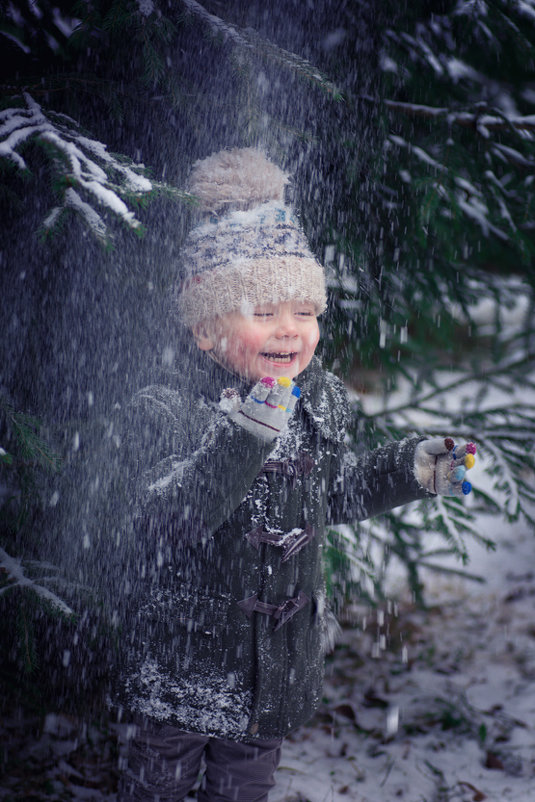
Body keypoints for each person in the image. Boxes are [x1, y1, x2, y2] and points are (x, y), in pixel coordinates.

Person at [113, 148, 476, 801]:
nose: (290, 330)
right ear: (204, 330)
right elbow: (173, 518)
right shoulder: (165, 409)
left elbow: (330, 496)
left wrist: (410, 468)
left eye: (304, 313)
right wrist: (245, 437)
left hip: (273, 669)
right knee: (155, 786)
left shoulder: (320, 401)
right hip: (184, 666)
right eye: (263, 312)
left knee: (244, 786)